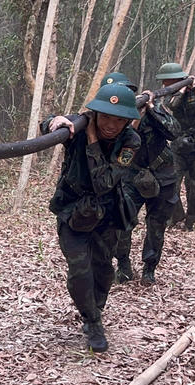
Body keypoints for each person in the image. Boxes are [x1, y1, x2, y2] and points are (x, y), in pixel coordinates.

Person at [41, 83, 142, 353]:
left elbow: (104, 182)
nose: (112, 124)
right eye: (106, 117)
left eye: (119, 119)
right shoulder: (79, 126)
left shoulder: (130, 141)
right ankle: (93, 320)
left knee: (103, 268)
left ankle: (95, 309)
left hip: (107, 213)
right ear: (96, 113)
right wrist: (58, 121)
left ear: (128, 121)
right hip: (71, 209)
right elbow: (45, 127)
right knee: (79, 269)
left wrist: (94, 140)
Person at [102, 73, 181, 286]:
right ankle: (124, 265)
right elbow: (117, 152)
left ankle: (149, 268)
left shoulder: (153, 109)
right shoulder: (109, 121)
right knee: (122, 222)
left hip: (163, 176)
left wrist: (153, 109)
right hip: (132, 176)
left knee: (156, 226)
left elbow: (173, 131)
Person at [154, 62, 195, 231]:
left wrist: (194, 88)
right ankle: (175, 215)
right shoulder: (171, 93)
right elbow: (172, 105)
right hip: (179, 143)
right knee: (172, 182)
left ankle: (192, 220)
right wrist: (181, 89)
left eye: (166, 81)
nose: (164, 84)